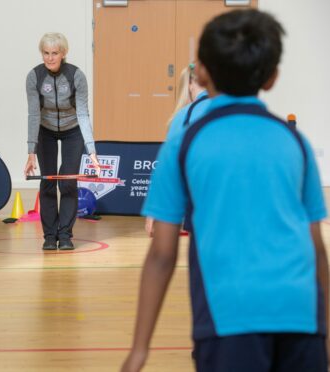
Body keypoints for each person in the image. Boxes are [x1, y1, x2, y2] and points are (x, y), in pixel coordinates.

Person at [122, 9, 328, 372]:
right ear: (272, 78)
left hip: (228, 320)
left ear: (199, 71)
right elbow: (316, 250)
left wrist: (139, 350)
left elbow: (162, 255)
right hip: (301, 318)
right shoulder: (295, 142)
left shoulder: (183, 143)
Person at [24, 32, 101, 251]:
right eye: (46, 53)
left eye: (54, 53)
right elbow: (33, 115)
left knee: (67, 181)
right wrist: (31, 152)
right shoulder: (34, 77)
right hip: (45, 130)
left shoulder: (76, 76)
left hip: (72, 131)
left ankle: (65, 235)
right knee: (48, 181)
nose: (49, 58)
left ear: (63, 53)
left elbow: (84, 114)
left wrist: (92, 152)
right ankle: (49, 236)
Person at [144, 64, 209, 237]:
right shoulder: (231, 111)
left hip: (201, 201)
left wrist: (155, 211)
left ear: (189, 84)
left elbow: (169, 167)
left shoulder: (184, 115)